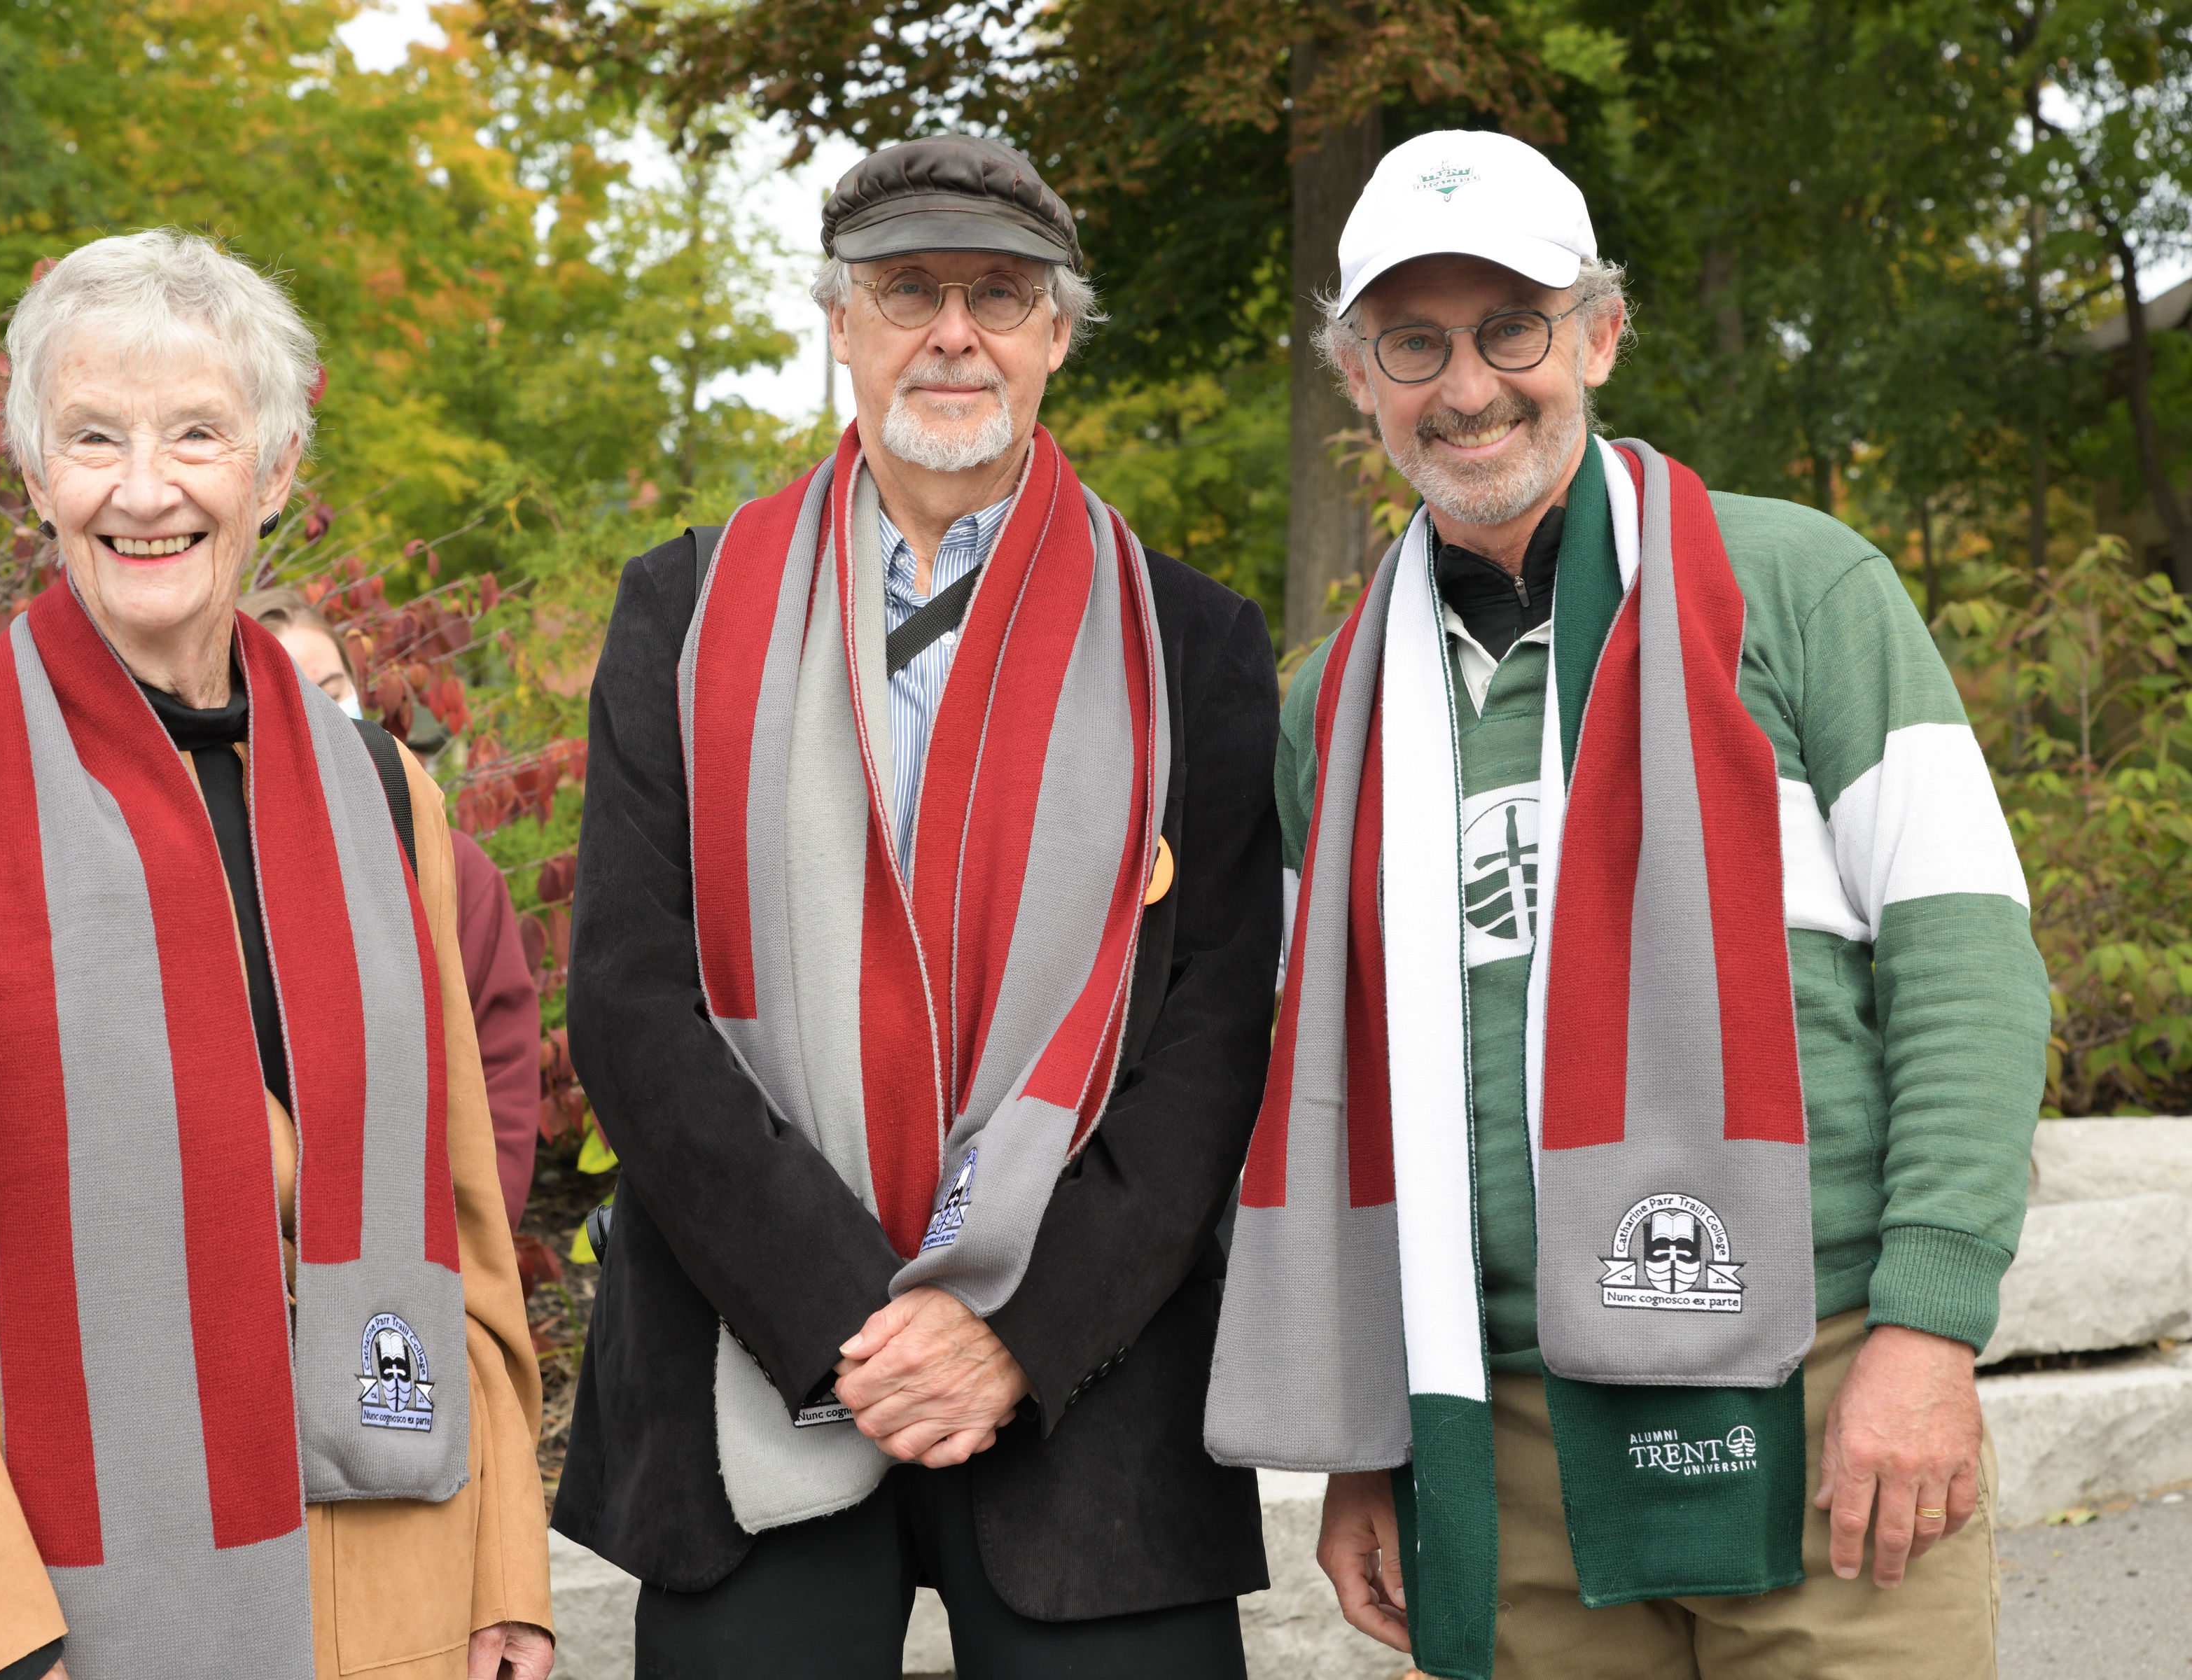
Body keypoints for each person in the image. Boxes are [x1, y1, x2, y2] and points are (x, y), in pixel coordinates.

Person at [1206, 130, 2050, 1680]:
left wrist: (1929, 1336)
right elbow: (1329, 1092)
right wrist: (1365, 1441)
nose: (1467, 388)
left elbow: (1969, 971)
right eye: (1414, 341)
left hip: (1824, 1401)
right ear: (1357, 376)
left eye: (1512, 328)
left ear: (1598, 333)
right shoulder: (1330, 711)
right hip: (1494, 1437)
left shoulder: (1796, 590)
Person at [552, 135, 1285, 1679]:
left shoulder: (1193, 646)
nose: (955, 332)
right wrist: (852, 1325)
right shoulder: (682, 611)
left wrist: (1011, 1336)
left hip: (1089, 1385)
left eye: (1001, 295)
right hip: (756, 1360)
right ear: (838, 319)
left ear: (1057, 334)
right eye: (908, 292)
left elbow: (1217, 1034)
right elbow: (627, 1000)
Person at [0, 230, 554, 1680]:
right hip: (68, 1602)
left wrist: (506, 1568)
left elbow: (463, 1233)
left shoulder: (389, 793)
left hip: (392, 1579)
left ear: (271, 474)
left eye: (197, 434)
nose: (146, 490)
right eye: (94, 438)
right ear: (35, 479)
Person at [246, 587, 545, 1231]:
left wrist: (475, 1257)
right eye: (287, 689)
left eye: (332, 686)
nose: (318, 711)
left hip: (425, 1259)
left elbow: (502, 1081)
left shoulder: (454, 871)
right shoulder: (208, 879)